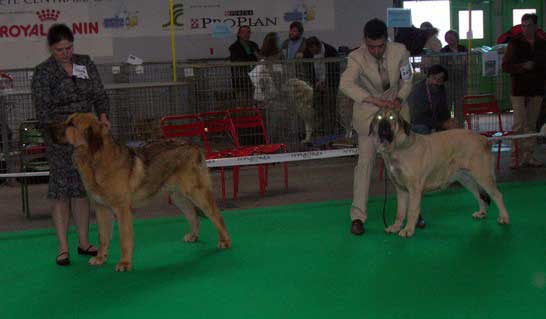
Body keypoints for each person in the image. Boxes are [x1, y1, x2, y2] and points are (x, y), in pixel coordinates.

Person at [31, 24, 110, 266]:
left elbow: (99, 94)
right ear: (50, 48)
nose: (65, 53)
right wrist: (67, 132)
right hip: (60, 140)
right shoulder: (42, 72)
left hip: (88, 140)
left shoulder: (85, 63)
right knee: (62, 192)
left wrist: (103, 115)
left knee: (83, 189)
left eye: (68, 48)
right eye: (59, 49)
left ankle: (84, 243)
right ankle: (63, 248)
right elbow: (43, 112)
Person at [339, 18, 413, 235]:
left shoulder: (400, 51)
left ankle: (412, 213)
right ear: (365, 41)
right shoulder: (356, 57)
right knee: (364, 165)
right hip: (369, 117)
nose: (376, 51)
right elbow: (346, 84)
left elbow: (408, 80)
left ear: (386, 40)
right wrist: (372, 99)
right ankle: (358, 216)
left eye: (380, 46)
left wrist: (399, 99)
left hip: (397, 114)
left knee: (407, 167)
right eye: (371, 46)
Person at [502, 13, 545, 168]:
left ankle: (529, 156)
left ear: (536, 26)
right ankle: (516, 157)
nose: (526, 29)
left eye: (529, 25)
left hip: (537, 88)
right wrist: (522, 67)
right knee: (519, 123)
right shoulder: (514, 43)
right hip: (518, 89)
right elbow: (505, 66)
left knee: (532, 124)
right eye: (523, 25)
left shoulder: (543, 43)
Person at [302, 36, 340, 136]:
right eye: (310, 50)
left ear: (319, 45)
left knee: (331, 106)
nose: (313, 52)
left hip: (331, 83)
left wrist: (326, 82)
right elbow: (307, 70)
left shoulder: (331, 51)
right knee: (317, 107)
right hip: (316, 84)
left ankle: (332, 130)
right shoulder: (307, 53)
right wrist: (315, 82)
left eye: (314, 50)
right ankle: (319, 130)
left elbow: (335, 70)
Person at [408, 64, 458, 134]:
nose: (435, 82)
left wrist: (448, 121)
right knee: (423, 129)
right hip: (416, 123)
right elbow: (418, 118)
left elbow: (443, 109)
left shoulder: (441, 89)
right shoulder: (418, 90)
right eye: (433, 78)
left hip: (432, 121)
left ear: (443, 82)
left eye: (439, 80)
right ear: (427, 77)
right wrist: (442, 124)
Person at [229, 26, 260, 104]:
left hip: (254, 78)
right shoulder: (234, 47)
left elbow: (259, 57)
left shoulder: (254, 45)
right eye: (243, 32)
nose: (246, 34)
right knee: (242, 103)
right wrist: (252, 57)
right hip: (241, 79)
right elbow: (236, 60)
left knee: (253, 101)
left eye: (248, 32)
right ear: (238, 34)